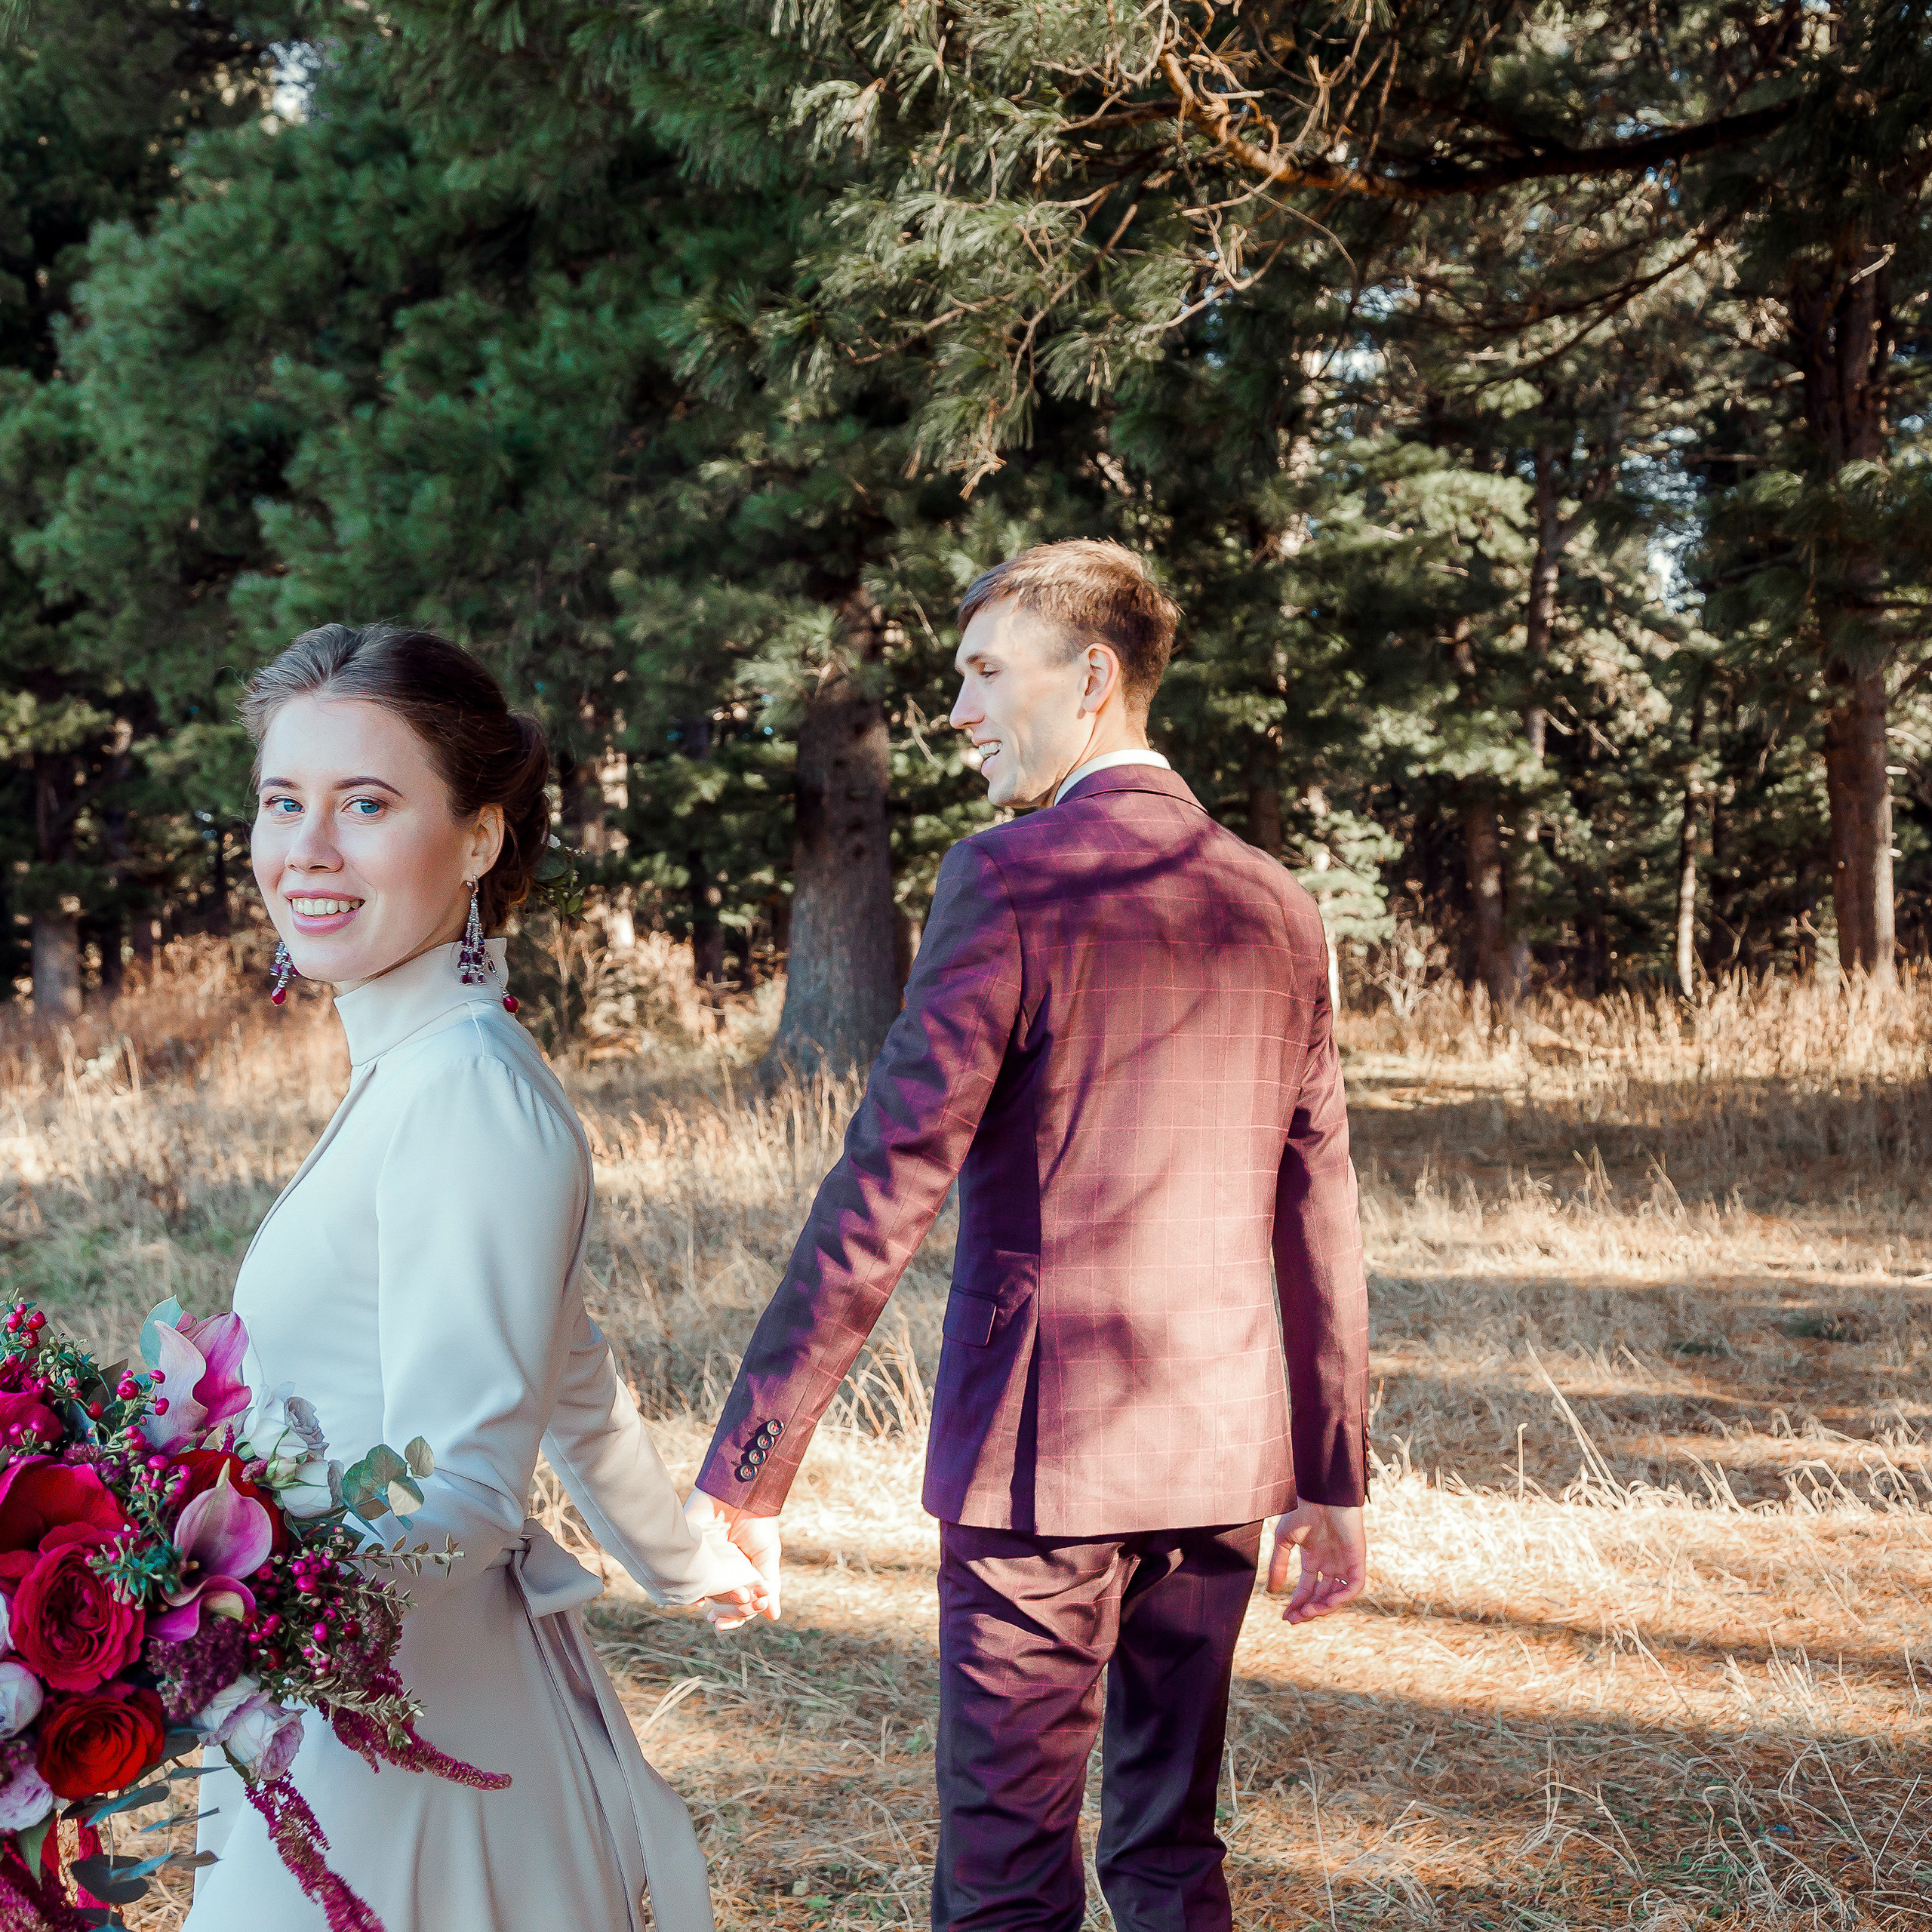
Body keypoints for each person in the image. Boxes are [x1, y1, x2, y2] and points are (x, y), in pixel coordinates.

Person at [687, 538, 1373, 1931]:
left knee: (1007, 1867)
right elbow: (1321, 1204)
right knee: (1172, 1845)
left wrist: (754, 1468)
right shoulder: (1278, 899)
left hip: (1038, 1462)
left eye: (987, 672)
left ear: (1095, 677)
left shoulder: (1010, 876)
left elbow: (888, 1176)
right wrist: (1331, 1470)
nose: (958, 708)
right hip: (1224, 1450)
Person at [187, 623, 764, 1932]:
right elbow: (567, 1362)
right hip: (344, 1704)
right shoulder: (424, 1072)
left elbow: (461, 1487)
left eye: (366, 805)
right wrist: (682, 1559)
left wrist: (195, 1619)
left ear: (484, 838)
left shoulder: (467, 1096)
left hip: (393, 1727)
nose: (306, 850)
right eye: (284, 801)